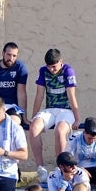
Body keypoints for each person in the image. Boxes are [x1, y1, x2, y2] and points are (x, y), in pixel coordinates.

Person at [28, 48, 79, 178]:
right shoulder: (43, 71)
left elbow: (71, 96)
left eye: (54, 67)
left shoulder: (68, 71)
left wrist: (77, 118)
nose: (51, 69)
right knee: (33, 127)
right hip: (50, 109)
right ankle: (40, 168)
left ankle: (60, 168)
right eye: (49, 67)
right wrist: (34, 116)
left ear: (61, 61)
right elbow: (39, 95)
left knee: (60, 131)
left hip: (66, 110)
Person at [66, 118, 96, 186]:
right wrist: (78, 169)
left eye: (94, 138)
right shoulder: (75, 138)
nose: (92, 141)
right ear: (84, 132)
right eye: (89, 138)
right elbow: (67, 158)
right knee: (82, 177)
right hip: (79, 166)